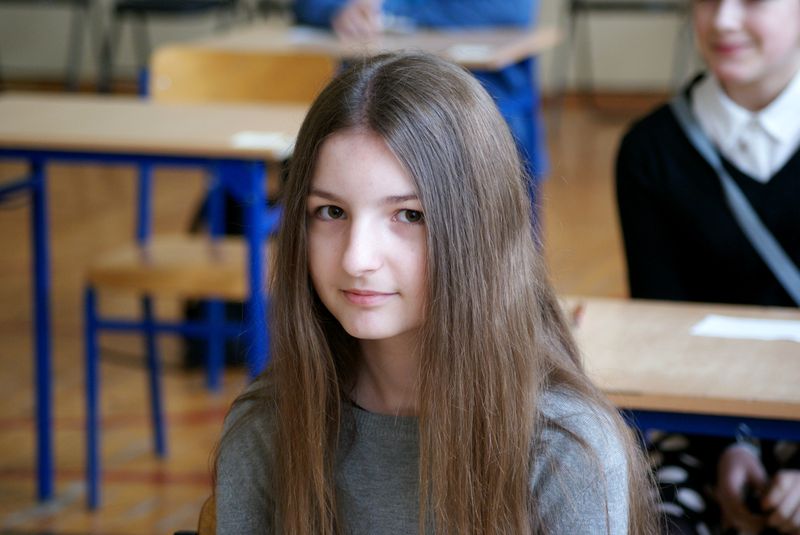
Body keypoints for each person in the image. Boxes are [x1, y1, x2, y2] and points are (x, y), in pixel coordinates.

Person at [214, 52, 659, 534]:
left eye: (409, 215)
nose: (356, 259)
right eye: (331, 212)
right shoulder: (266, 427)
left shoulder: (564, 449)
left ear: (480, 231)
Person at [616, 0, 800, 533]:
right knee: (656, 516)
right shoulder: (651, 149)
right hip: (704, 419)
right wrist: (729, 447)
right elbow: (664, 326)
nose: (722, 20)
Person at [293, 0, 549, 211]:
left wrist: (388, 8)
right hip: (373, 89)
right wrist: (340, 9)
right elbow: (306, 6)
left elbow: (512, 9)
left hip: (479, 91)